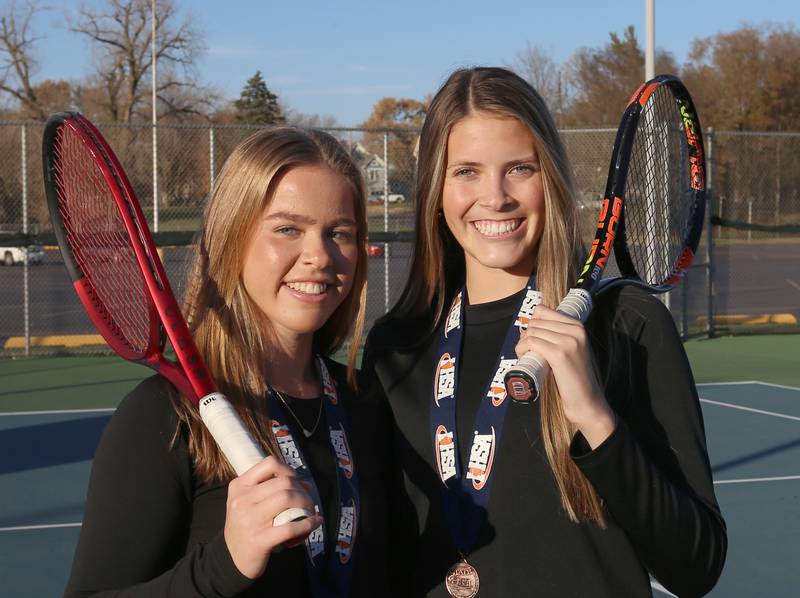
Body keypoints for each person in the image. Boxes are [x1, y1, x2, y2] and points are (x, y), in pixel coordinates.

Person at [362, 67, 727, 597]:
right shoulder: (396, 346)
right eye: (466, 171)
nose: (495, 197)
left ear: (549, 176)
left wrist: (595, 419)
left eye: (519, 168)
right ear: (434, 189)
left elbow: (697, 567)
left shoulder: (626, 324)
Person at [65, 127, 395, 597]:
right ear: (230, 239)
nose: (319, 255)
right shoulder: (163, 417)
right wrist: (224, 564)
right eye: (287, 229)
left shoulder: (366, 403)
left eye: (339, 232)